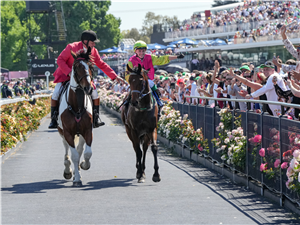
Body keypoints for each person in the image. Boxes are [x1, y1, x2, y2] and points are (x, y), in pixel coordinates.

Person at [48, 30, 124, 129]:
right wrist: (69, 72)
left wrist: (114, 76)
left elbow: (101, 64)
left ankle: (96, 118)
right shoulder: (72, 47)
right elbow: (60, 60)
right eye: (92, 42)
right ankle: (53, 119)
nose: (94, 44)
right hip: (66, 76)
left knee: (95, 94)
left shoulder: (93, 51)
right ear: (85, 41)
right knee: (56, 93)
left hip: (83, 78)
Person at [124, 40, 184, 117]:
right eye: (139, 51)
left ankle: (159, 101)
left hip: (148, 80)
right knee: (131, 90)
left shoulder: (150, 57)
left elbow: (163, 59)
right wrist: (132, 82)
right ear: (135, 51)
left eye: (143, 51)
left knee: (151, 83)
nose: (141, 53)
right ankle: (126, 104)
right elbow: (127, 74)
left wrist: (177, 56)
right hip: (136, 82)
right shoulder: (131, 61)